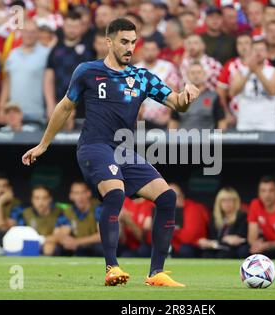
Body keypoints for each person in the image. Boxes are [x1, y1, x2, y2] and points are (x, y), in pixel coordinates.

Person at [21, 18, 200, 287]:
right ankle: (112, 268)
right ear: (109, 42)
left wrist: (186, 97)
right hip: (94, 146)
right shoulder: (87, 71)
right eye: (124, 42)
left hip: (123, 152)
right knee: (115, 193)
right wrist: (43, 144)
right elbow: (65, 107)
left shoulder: (142, 77)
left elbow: (176, 103)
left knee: (167, 197)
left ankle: (156, 273)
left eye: (133, 42)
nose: (130, 48)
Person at [44, 11, 93, 121]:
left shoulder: (90, 49)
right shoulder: (55, 50)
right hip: (59, 104)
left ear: (82, 27)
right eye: (69, 26)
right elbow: (48, 78)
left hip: (85, 107)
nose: (72, 29)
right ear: (63, 27)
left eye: (76, 26)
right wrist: (50, 104)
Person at [1, 19, 51, 125]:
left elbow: (50, 82)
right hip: (13, 115)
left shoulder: (46, 54)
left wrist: (51, 106)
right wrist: (1, 108)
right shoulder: (12, 54)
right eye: (26, 31)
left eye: (33, 32)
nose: (29, 35)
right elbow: (7, 83)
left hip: (37, 114)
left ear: (38, 33)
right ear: (21, 33)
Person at [229, 39, 275, 131]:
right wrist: (249, 71)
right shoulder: (240, 72)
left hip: (268, 124)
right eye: (255, 50)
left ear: (267, 53)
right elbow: (232, 92)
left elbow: (272, 91)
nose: (258, 53)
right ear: (250, 52)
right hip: (245, 124)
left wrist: (257, 71)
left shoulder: (274, 72)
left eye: (261, 50)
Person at [10, 185, 71, 256]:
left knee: (49, 246)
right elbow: (20, 235)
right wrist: (40, 240)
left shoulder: (59, 213)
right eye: (37, 198)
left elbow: (63, 235)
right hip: (30, 246)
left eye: (44, 198)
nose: (41, 202)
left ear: (50, 199)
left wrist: (45, 240)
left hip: (52, 246)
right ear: (32, 200)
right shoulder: (25, 214)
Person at [135, 38, 181, 129]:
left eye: (153, 49)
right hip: (141, 119)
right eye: (147, 49)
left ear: (158, 51)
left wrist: (169, 116)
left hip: (163, 118)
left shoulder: (168, 67)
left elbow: (174, 92)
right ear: (142, 51)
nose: (150, 52)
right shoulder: (135, 70)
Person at [170, 62, 227, 130]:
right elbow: (173, 123)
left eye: (199, 72)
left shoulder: (214, 97)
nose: (196, 75)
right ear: (187, 76)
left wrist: (220, 139)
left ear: (204, 75)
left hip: (207, 139)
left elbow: (222, 123)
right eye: (192, 73)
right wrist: (171, 139)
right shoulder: (179, 97)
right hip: (183, 138)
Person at [198, 187, 249, 259]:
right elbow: (212, 237)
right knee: (206, 253)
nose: (227, 203)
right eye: (223, 200)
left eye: (230, 200)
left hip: (232, 249)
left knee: (224, 254)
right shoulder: (214, 217)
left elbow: (237, 239)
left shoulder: (242, 216)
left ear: (236, 202)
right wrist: (207, 242)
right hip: (216, 247)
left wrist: (215, 243)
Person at [57, 181, 103, 257]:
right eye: (76, 193)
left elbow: (102, 235)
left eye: (83, 193)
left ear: (89, 193)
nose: (80, 197)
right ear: (71, 196)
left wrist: (77, 242)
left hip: (95, 246)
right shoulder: (68, 212)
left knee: (101, 248)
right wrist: (66, 240)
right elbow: (62, 233)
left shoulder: (98, 209)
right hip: (77, 247)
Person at [169, 183, 210, 259]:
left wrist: (171, 231)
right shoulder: (161, 209)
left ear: (182, 196)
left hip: (193, 247)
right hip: (172, 246)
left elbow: (188, 237)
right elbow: (151, 238)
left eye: (176, 196)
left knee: (185, 249)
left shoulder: (193, 208)